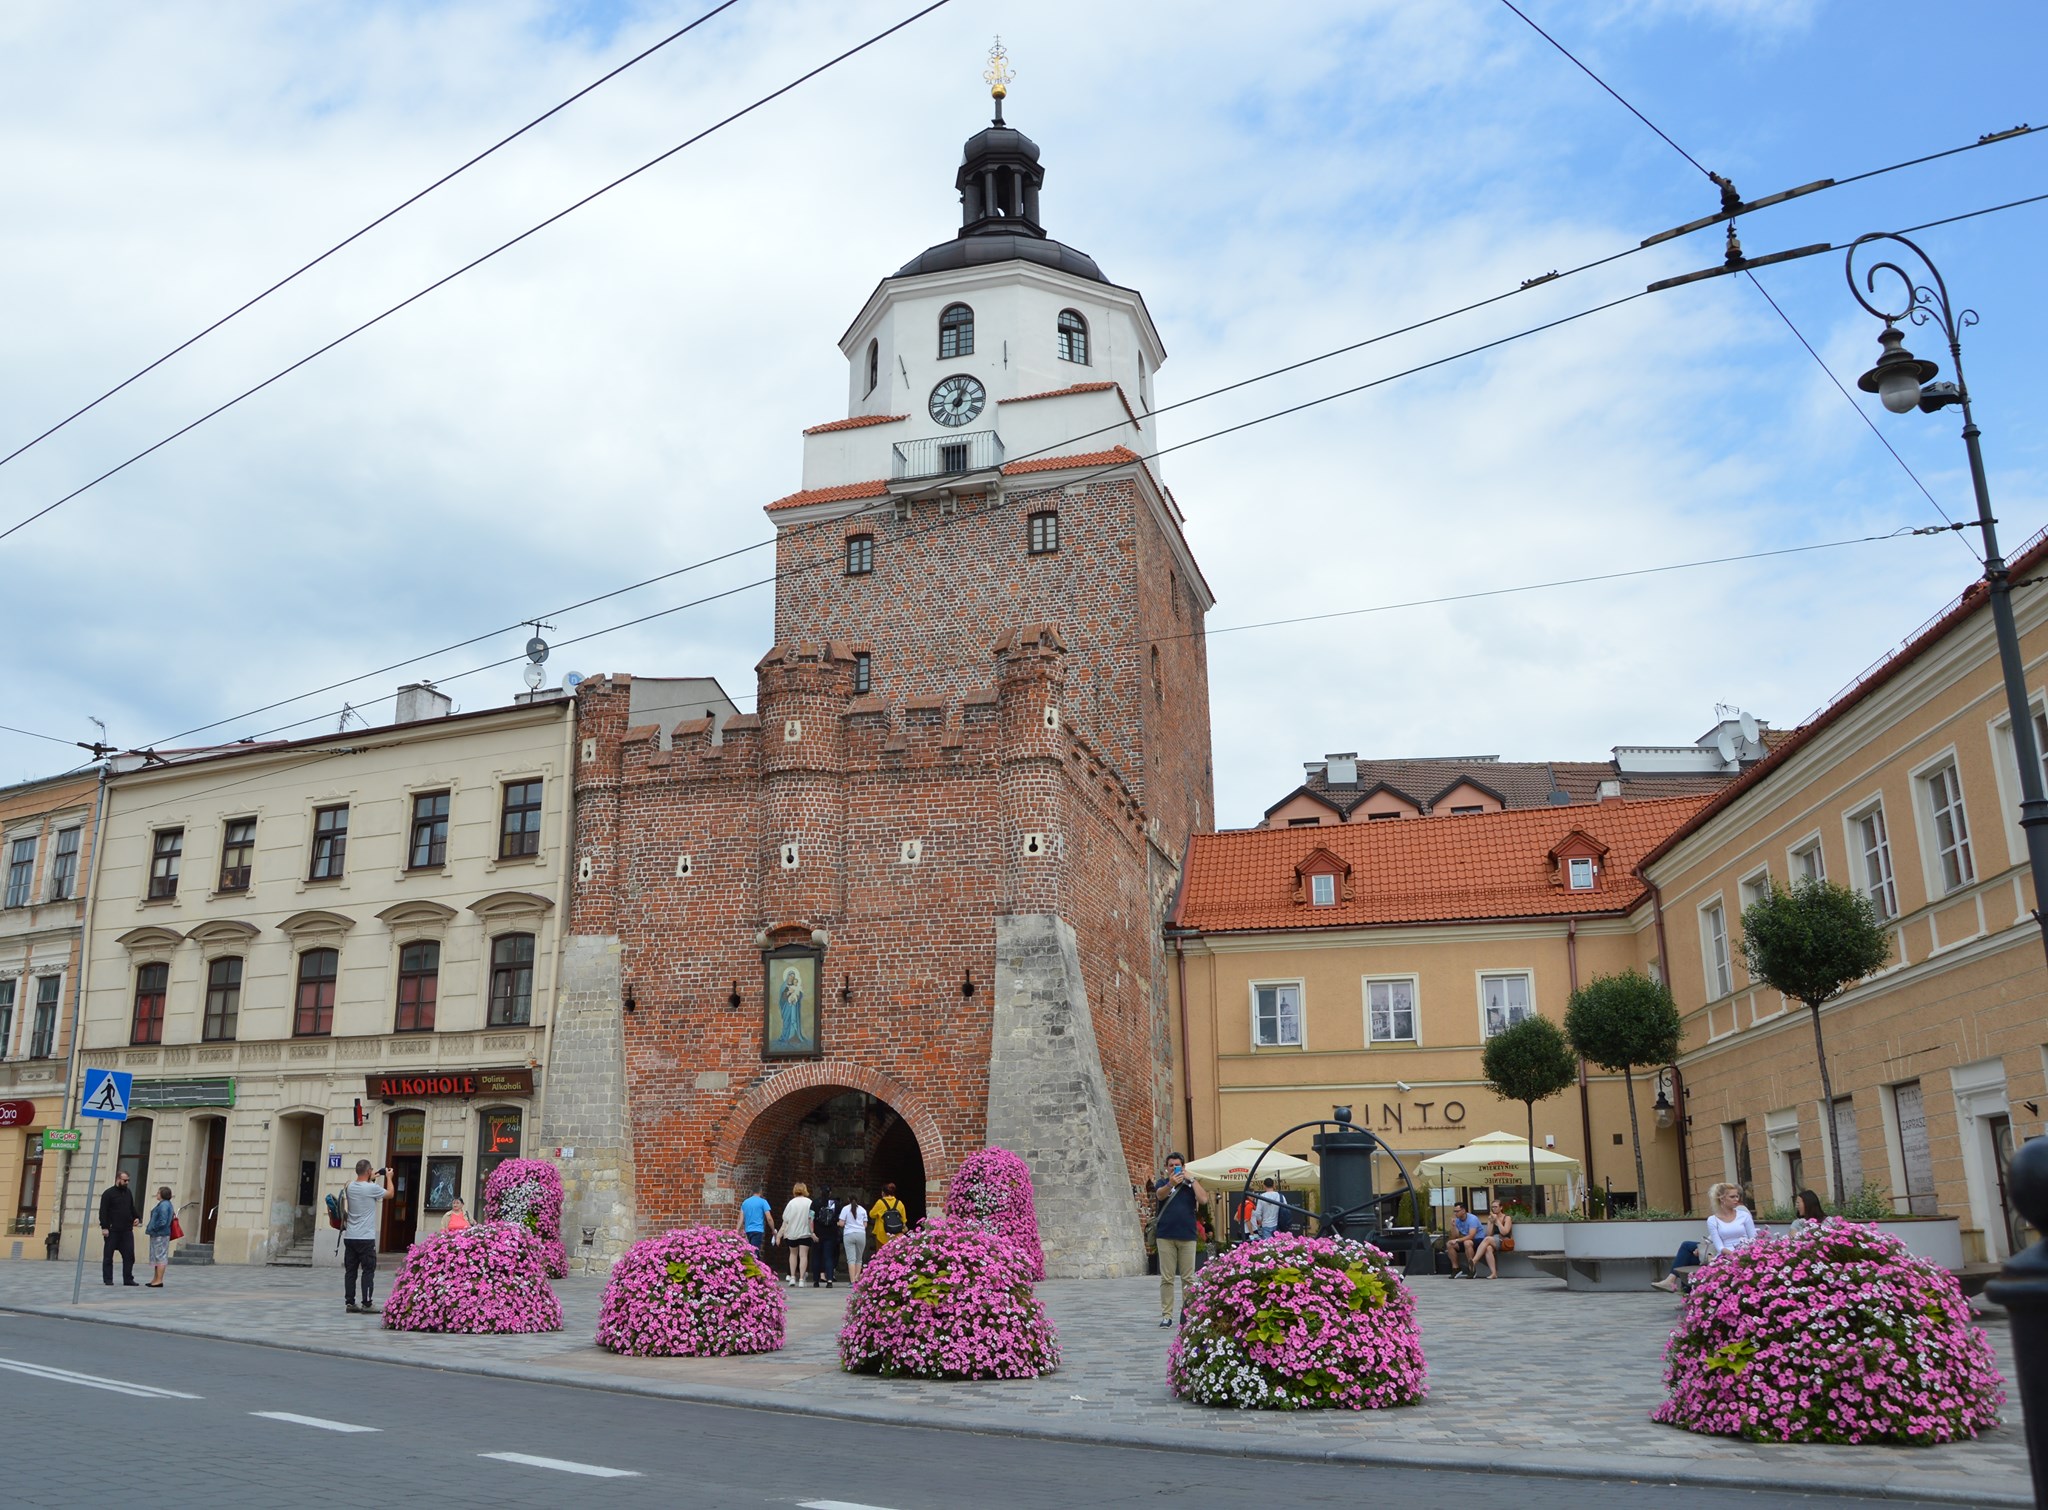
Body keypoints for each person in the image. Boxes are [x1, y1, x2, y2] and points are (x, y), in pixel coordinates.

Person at [1653, 1181, 1758, 1292]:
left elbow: (1754, 1239)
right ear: (1722, 1199)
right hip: (1726, 1254)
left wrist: (1743, 1255)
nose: (1736, 1199)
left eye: (1737, 1196)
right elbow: (1719, 1246)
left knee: (1687, 1248)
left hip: (1744, 1252)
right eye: (1732, 1197)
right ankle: (1686, 1294)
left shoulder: (1743, 1214)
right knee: (1689, 1253)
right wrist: (1731, 1254)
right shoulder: (1713, 1220)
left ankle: (1675, 1284)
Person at [1152, 1152, 1206, 1327]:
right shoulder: (1162, 1183)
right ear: (1166, 1168)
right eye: (1171, 1165)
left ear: (1183, 1167)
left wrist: (1193, 1180)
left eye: (1178, 1165)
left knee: (1188, 1278)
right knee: (1167, 1278)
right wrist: (1170, 1184)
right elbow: (1160, 1195)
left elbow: (1204, 1200)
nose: (1173, 1168)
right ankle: (1167, 1315)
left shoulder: (1190, 1185)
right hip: (1166, 1236)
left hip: (1187, 1236)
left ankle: (1188, 1314)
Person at [342, 1159, 393, 1314]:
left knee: (350, 1271)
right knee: (368, 1270)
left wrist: (373, 1174)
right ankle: (367, 1303)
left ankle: (350, 1303)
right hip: (365, 1237)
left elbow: (360, 1183)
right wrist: (389, 1177)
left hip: (350, 1236)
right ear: (368, 1171)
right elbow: (390, 1194)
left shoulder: (349, 1186)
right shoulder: (372, 1188)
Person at [99, 1169, 141, 1287]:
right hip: (112, 1230)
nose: (127, 1182)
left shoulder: (128, 1192)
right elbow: (103, 1211)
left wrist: (137, 1217)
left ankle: (128, 1279)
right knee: (108, 1256)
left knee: (129, 1256)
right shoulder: (108, 1193)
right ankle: (108, 1279)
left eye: (128, 1180)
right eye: (125, 1180)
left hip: (126, 1230)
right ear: (118, 1179)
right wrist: (104, 1227)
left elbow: (131, 1207)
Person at [780, 1182, 815, 1287]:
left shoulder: (791, 1203)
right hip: (805, 1232)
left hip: (792, 1232)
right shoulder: (809, 1202)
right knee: (803, 1255)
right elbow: (812, 1217)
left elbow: (785, 1218)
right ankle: (801, 1279)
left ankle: (792, 1277)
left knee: (793, 1254)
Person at [143, 1185, 177, 1287]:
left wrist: (154, 1228)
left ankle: (159, 1280)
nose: (156, 1194)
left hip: (160, 1234)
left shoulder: (164, 1205)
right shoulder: (165, 1204)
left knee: (160, 1257)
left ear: (162, 1194)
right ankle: (155, 1279)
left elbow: (163, 1221)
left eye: (158, 1192)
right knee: (157, 1257)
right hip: (159, 1234)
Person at [1474, 1198, 1514, 1279]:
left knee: (1488, 1239)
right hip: (1494, 1240)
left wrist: (1497, 1221)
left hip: (1505, 1241)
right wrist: (1491, 1222)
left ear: (1501, 1208)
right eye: (1492, 1207)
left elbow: (1504, 1232)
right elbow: (1489, 1234)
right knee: (1488, 1248)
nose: (1494, 1209)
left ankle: (1474, 1261)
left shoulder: (1507, 1218)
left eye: (1495, 1207)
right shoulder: (1491, 1218)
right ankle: (1494, 1273)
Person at [812, 1186, 842, 1288]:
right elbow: (839, 1219)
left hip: (818, 1233)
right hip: (831, 1233)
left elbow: (810, 1218)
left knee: (816, 1257)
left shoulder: (815, 1203)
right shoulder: (836, 1204)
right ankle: (829, 1280)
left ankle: (816, 1281)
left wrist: (812, 1232)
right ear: (830, 1193)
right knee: (828, 1257)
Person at [1445, 1202, 1485, 1277]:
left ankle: (1471, 1268)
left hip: (1479, 1240)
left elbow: (1471, 1236)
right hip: (1466, 1240)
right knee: (1449, 1244)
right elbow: (1455, 1236)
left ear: (1463, 1211)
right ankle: (1456, 1268)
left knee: (1467, 1243)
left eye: (1457, 1211)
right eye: (1454, 1211)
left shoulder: (1472, 1219)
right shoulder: (1457, 1220)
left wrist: (1457, 1240)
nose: (1455, 1214)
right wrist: (1453, 1226)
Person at [870, 1183, 909, 1249]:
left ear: (883, 1193)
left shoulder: (880, 1202)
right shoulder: (899, 1203)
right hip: (896, 1235)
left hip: (882, 1235)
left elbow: (872, 1215)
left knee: (881, 1256)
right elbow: (904, 1219)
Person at [840, 1193, 868, 1283]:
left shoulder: (845, 1209)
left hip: (849, 1234)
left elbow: (841, 1223)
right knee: (859, 1258)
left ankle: (852, 1280)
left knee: (851, 1259)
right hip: (861, 1234)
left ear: (848, 1199)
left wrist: (838, 1223)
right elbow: (865, 1224)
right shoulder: (863, 1210)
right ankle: (857, 1279)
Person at [737, 1185, 772, 1255]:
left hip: (748, 1231)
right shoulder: (763, 1202)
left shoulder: (745, 1202)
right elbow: (769, 1218)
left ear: (752, 1192)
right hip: (757, 1230)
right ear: (760, 1192)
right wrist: (773, 1229)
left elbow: (741, 1218)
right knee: (754, 1252)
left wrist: (737, 1230)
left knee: (751, 1251)